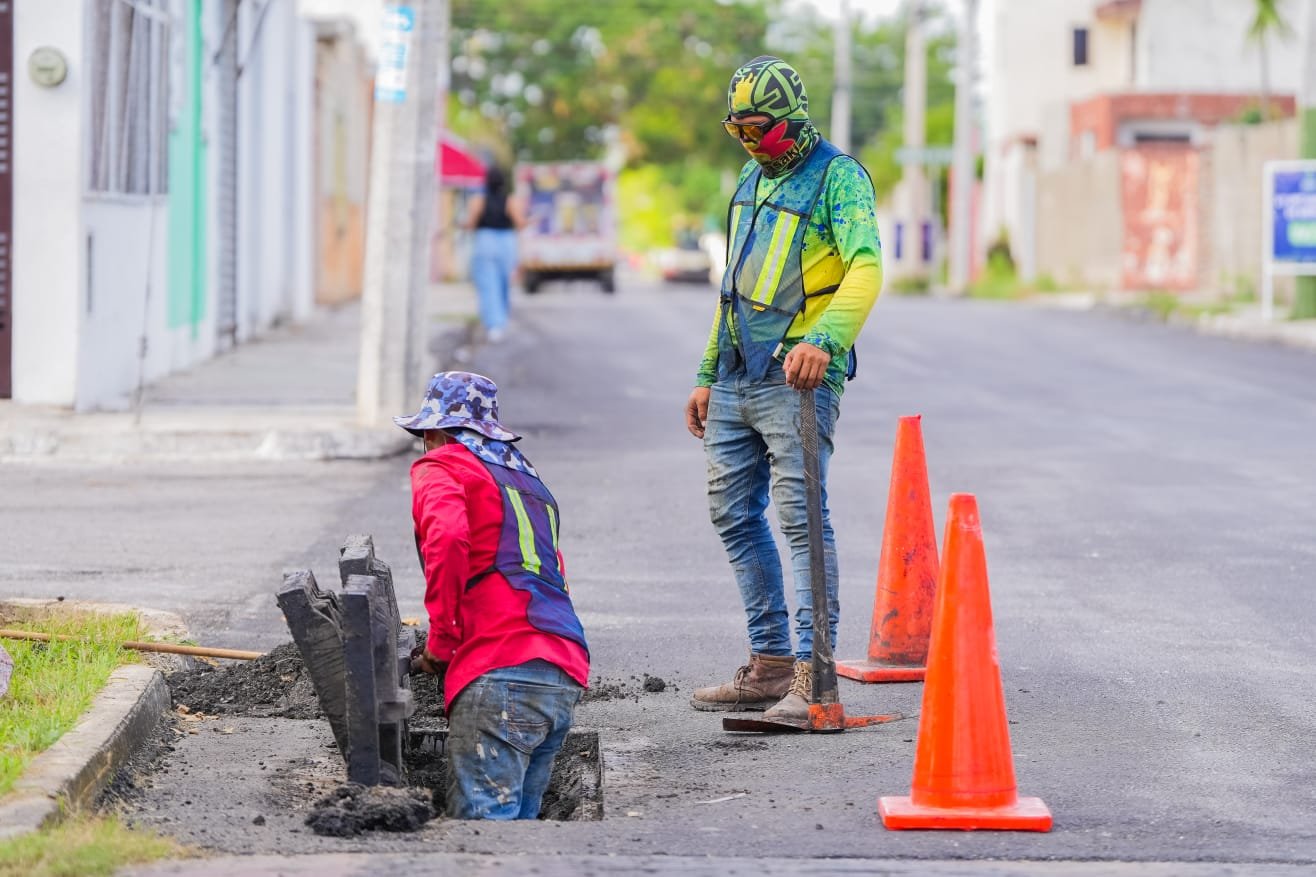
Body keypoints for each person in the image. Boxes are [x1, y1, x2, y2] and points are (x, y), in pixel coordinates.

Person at [685, 56, 883, 726]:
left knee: (802, 521)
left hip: (798, 378)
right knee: (732, 514)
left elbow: (865, 267)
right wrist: (707, 373)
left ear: (791, 122)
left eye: (759, 130)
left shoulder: (838, 177)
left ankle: (813, 678)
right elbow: (732, 288)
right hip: (737, 376)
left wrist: (824, 340)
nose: (748, 142)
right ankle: (769, 665)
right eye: (737, 129)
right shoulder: (750, 179)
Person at [397, 371, 588, 819]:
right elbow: (555, 568)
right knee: (520, 834)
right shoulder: (528, 480)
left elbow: (447, 538)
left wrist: (442, 643)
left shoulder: (443, 465)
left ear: (435, 433)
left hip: (500, 667)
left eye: (425, 436)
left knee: (485, 838)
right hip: (563, 668)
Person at [466, 166, 525, 342]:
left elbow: (471, 224)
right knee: (503, 283)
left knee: (487, 284)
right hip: (506, 242)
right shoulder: (510, 201)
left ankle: (493, 324)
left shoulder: (478, 200)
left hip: (485, 241)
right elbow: (520, 224)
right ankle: (501, 321)